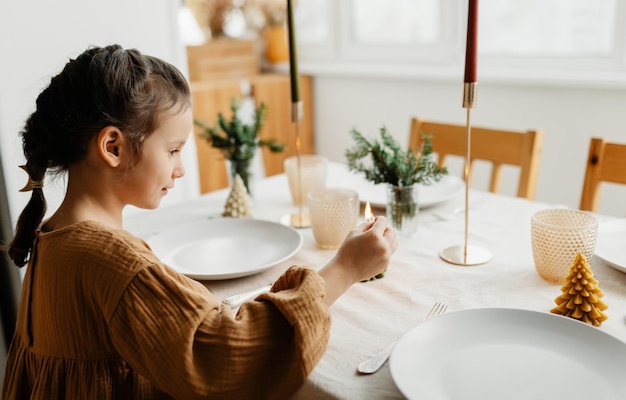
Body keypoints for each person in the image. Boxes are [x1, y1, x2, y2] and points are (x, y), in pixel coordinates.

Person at [1, 45, 398, 400]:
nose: (180, 170)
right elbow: (228, 358)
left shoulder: (52, 237)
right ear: (113, 147)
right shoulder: (114, 263)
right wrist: (346, 268)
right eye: (173, 150)